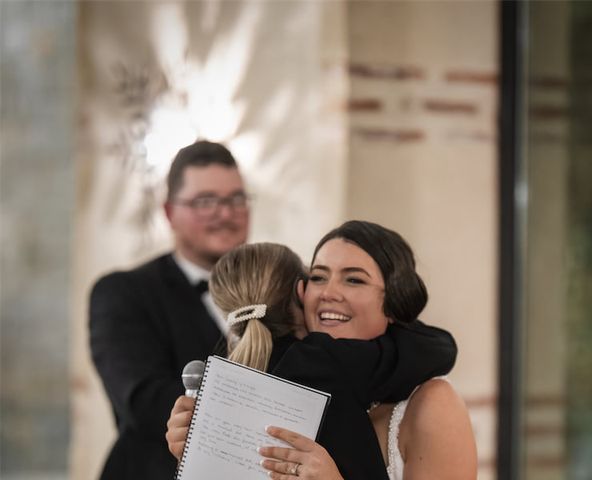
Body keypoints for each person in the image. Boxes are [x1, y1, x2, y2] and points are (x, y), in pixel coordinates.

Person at [167, 221, 477, 479]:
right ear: (301, 293)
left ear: (394, 302)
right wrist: (202, 452)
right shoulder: (278, 391)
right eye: (318, 277)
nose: (329, 293)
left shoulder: (431, 403)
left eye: (354, 280)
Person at [89, 140, 250, 479]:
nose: (225, 213)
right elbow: (145, 401)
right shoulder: (124, 293)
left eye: (236, 199)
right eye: (206, 201)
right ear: (169, 212)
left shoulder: (283, 289)